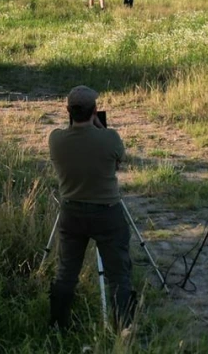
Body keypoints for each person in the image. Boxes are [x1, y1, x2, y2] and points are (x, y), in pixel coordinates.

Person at [48, 86, 135, 332]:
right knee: (119, 273)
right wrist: (100, 125)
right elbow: (117, 160)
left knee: (66, 272)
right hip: (107, 212)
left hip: (71, 212)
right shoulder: (109, 138)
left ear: (68, 111)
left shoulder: (56, 139)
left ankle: (58, 325)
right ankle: (124, 327)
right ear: (95, 111)